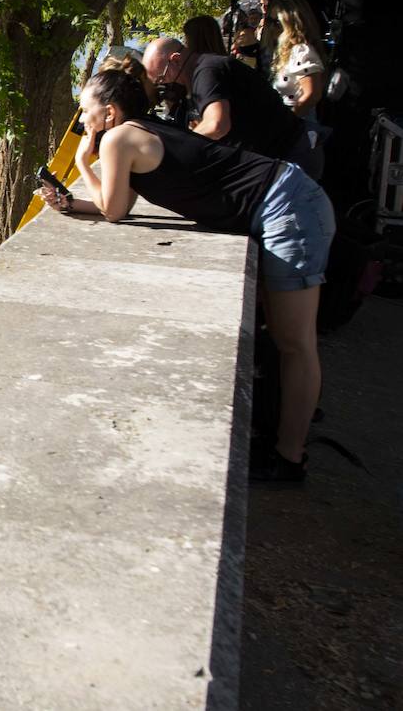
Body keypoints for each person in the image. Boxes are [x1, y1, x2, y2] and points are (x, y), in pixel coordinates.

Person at [38, 68, 335, 484]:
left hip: (286, 207)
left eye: (84, 109)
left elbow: (111, 210)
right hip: (284, 197)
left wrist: (84, 160)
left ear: (109, 112)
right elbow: (119, 204)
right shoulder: (141, 129)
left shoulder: (117, 139)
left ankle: (289, 458)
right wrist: (70, 204)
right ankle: (284, 433)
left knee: (295, 343)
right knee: (285, 340)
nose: (81, 117)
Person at [141, 36, 317, 178]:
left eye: (163, 78)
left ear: (176, 60)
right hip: (279, 158)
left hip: (290, 158)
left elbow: (217, 125)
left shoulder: (207, 71)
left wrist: (176, 149)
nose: (166, 84)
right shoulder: (204, 70)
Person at [269, 0, 327, 121]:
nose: (272, 27)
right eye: (270, 21)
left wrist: (289, 121)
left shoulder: (302, 51)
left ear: (290, 23)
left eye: (277, 22)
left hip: (298, 127)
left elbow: (312, 95)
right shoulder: (287, 51)